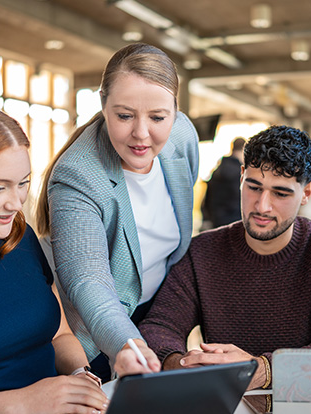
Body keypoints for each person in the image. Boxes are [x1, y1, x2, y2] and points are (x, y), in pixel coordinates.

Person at [139, 125, 311, 389]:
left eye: (280, 193)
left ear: (306, 193)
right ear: (241, 179)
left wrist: (263, 369)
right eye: (254, 187)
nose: (262, 206)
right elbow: (158, 326)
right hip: (226, 405)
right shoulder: (202, 252)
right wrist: (182, 364)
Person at [35, 43, 199, 381]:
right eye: (124, 115)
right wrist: (127, 344)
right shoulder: (78, 175)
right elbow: (88, 279)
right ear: (103, 105)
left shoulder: (182, 137)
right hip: (97, 333)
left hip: (156, 314)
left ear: (175, 111)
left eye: (158, 117)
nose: (141, 133)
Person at [0, 103, 108, 414]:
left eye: (23, 182)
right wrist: (27, 400)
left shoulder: (19, 236)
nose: (16, 201)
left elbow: (60, 334)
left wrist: (81, 378)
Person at [202, 137, 244, 228]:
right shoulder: (240, 172)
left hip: (216, 220)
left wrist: (206, 218)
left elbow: (208, 196)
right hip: (234, 221)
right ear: (243, 150)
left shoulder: (218, 169)